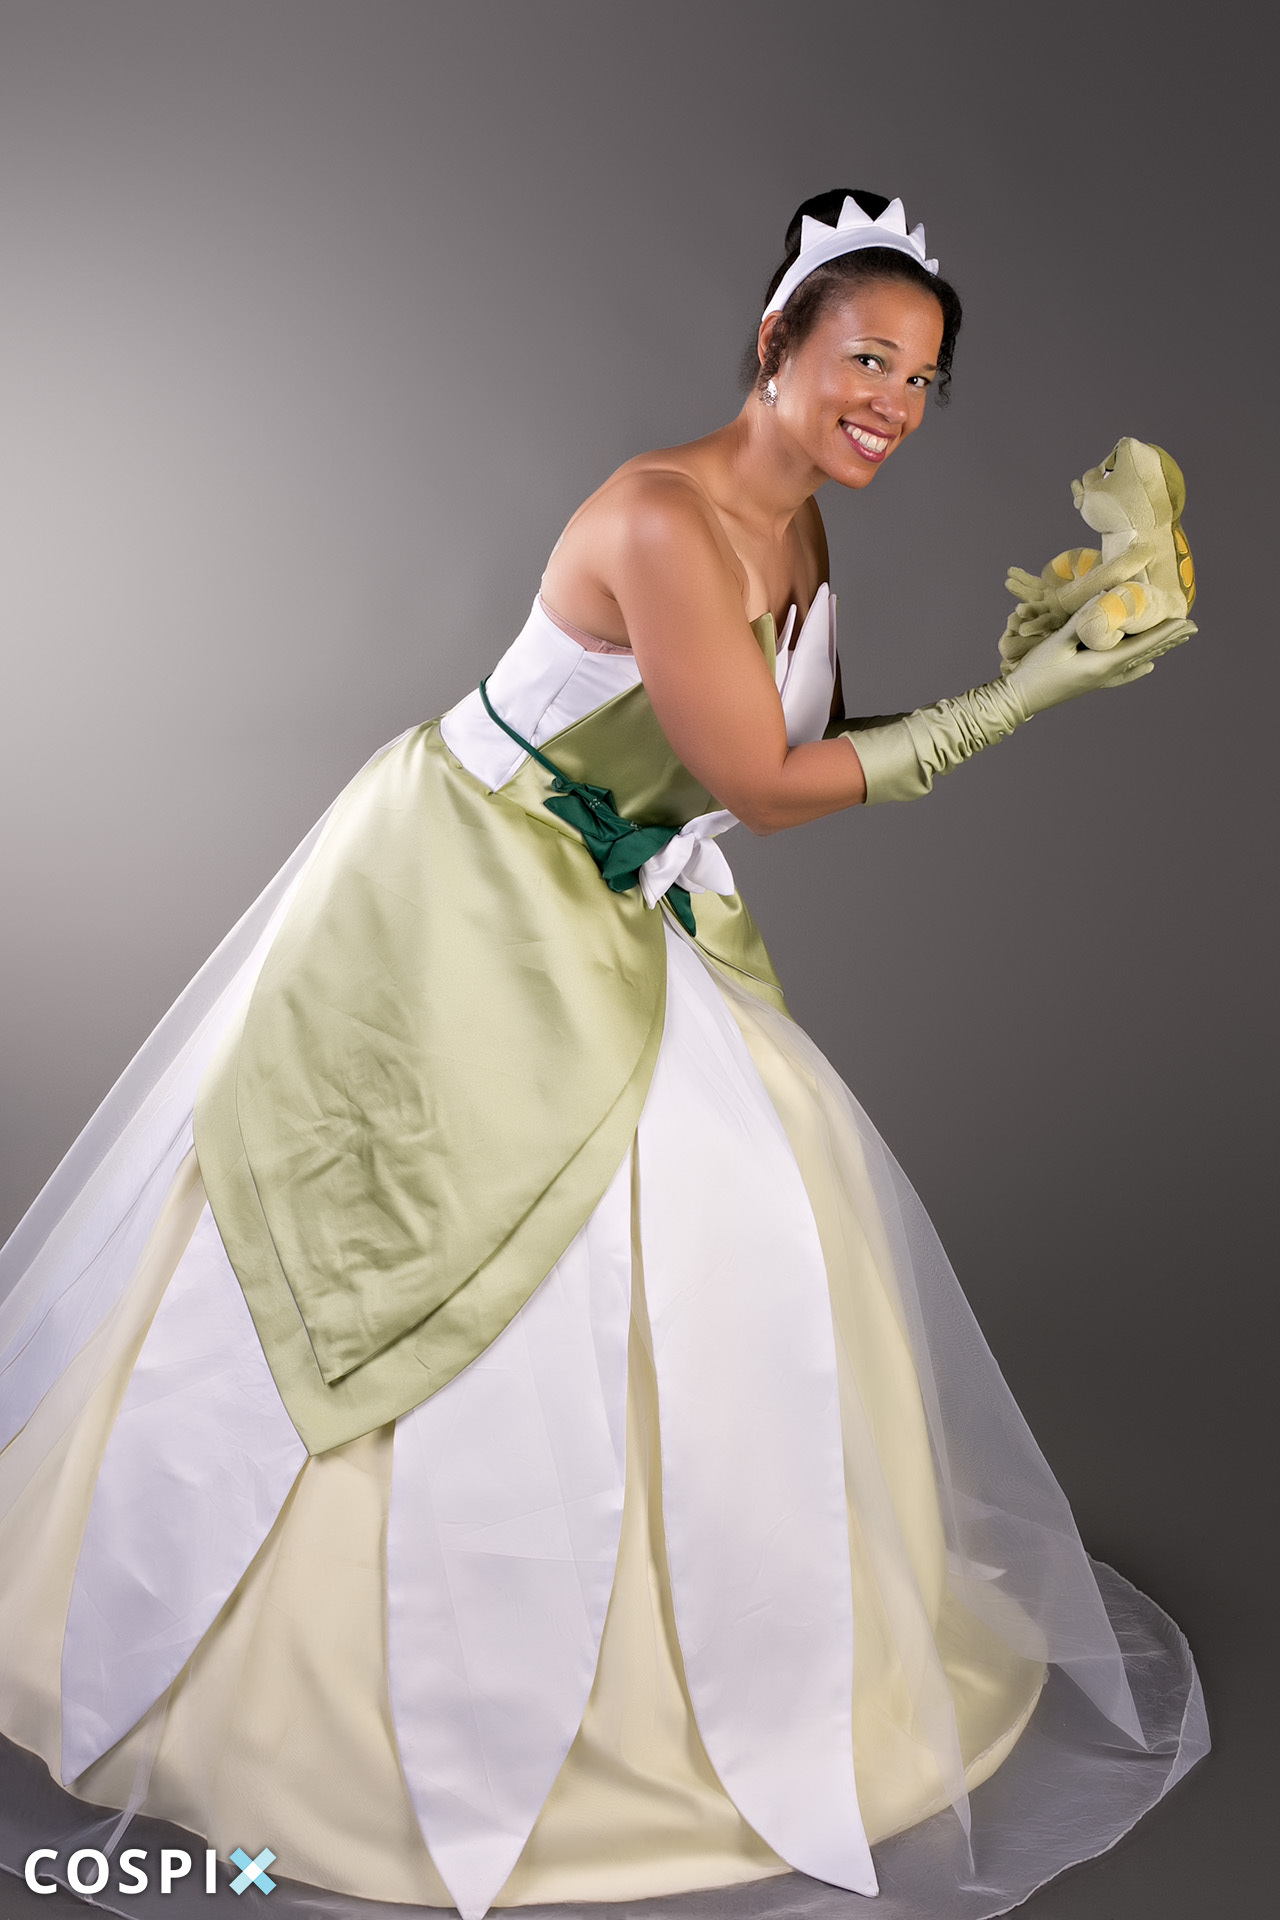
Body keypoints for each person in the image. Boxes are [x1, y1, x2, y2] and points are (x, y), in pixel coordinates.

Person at [0, 189, 1207, 1920]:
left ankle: (716, 1654)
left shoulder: (798, 526)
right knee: (431, 1234)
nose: (892, 400)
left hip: (605, 896)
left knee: (734, 1221)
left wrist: (1012, 668)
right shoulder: (660, 517)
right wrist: (1035, 699)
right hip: (468, 890)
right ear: (776, 345)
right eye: (866, 358)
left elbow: (762, 737)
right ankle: (348, 1689)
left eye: (921, 378)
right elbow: (769, 791)